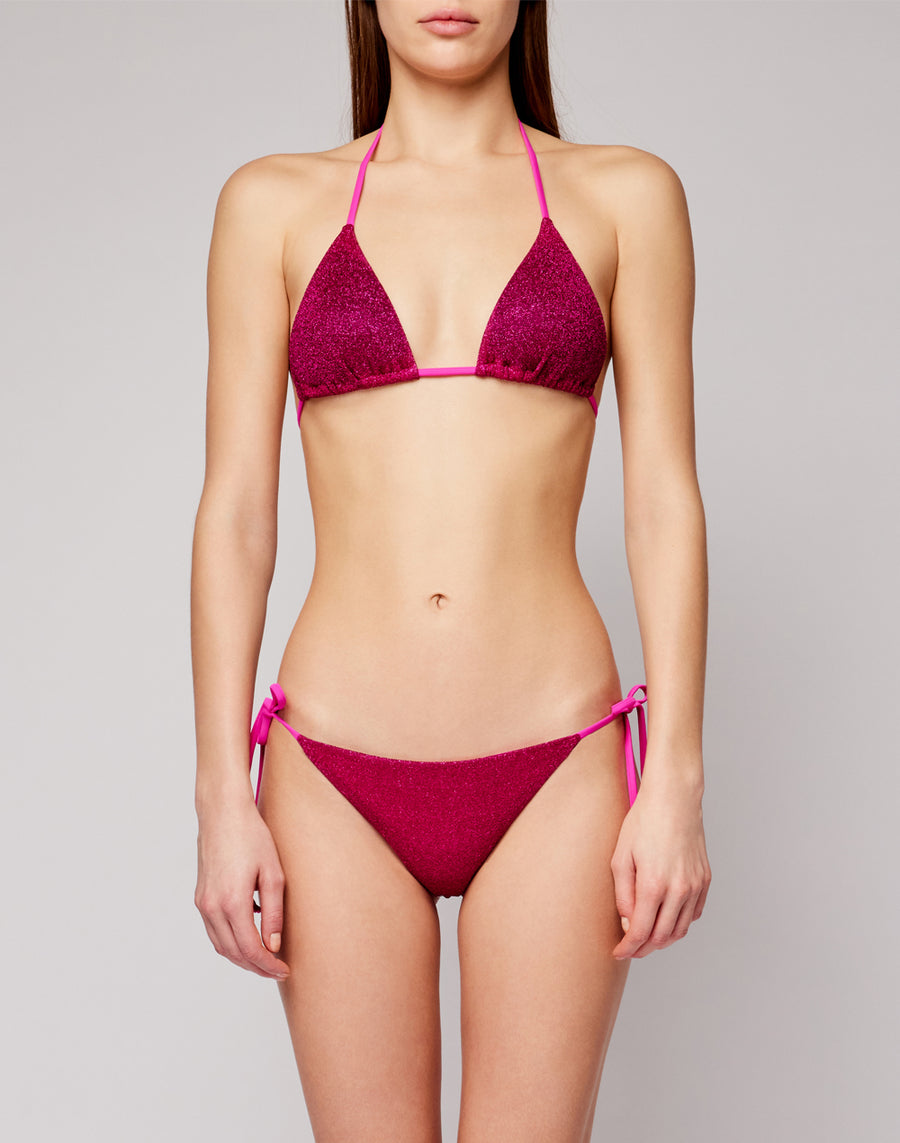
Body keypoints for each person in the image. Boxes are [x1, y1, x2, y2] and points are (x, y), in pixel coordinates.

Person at [191, 1, 712, 1137]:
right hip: (332, 772)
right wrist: (220, 796)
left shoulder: (625, 195)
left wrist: (675, 778)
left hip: (557, 764)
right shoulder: (272, 204)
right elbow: (236, 516)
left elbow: (663, 504)